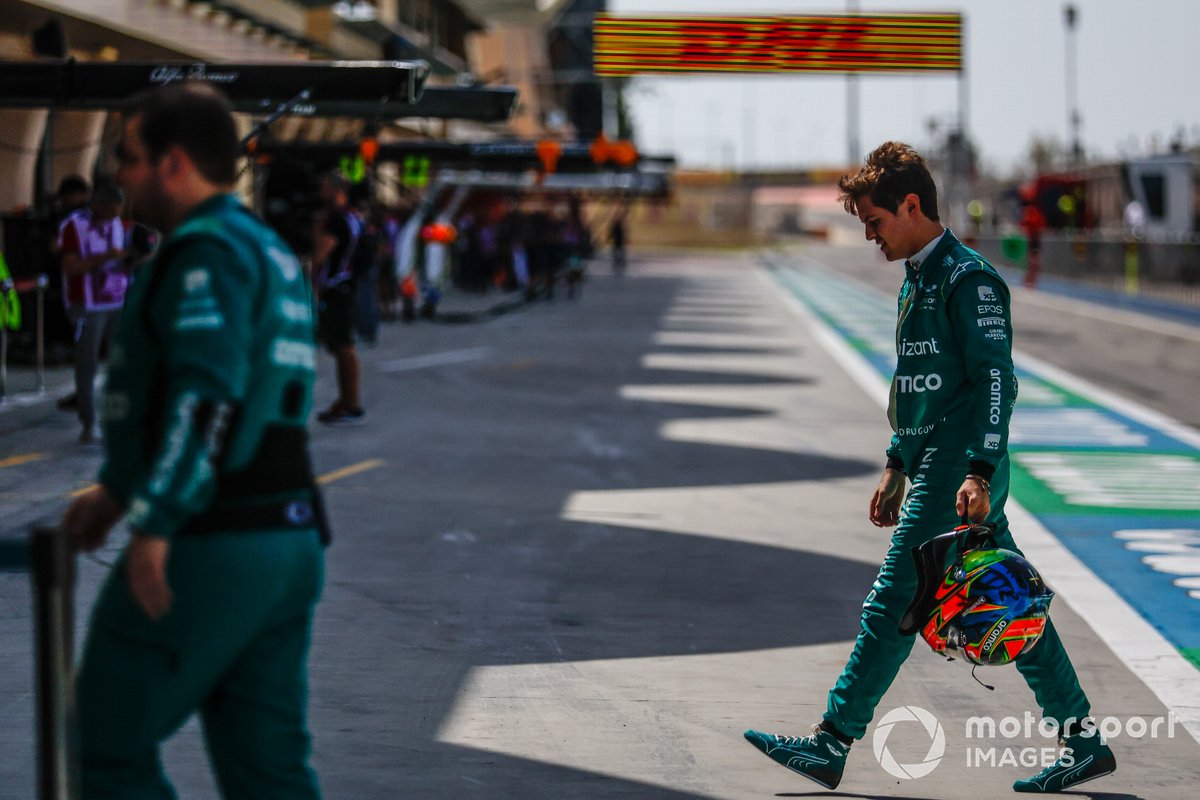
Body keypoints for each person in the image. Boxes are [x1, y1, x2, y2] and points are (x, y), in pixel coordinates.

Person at [744, 142, 1115, 794]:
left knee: (897, 595)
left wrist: (976, 470)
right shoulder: (916, 277)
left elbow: (995, 382)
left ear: (911, 205)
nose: (867, 235)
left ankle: (832, 740)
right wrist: (895, 463)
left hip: (961, 465)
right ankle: (1083, 739)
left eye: (875, 221)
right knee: (1010, 598)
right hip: (937, 463)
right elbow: (915, 384)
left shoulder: (968, 279)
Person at [60, 82, 327, 800]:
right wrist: (118, 489)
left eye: (129, 156)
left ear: (174, 163)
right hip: (284, 534)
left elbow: (209, 397)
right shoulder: (263, 250)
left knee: (103, 750)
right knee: (267, 771)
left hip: (212, 539)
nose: (119, 173)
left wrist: (155, 520)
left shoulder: (205, 253)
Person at [57, 181, 130, 442]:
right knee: (87, 363)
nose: (116, 214)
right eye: (113, 209)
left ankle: (122, 419)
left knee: (122, 361)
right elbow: (70, 267)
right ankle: (89, 422)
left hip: (116, 300)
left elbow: (123, 260)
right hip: (87, 303)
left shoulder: (119, 224)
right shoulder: (75, 225)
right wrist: (105, 257)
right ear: (99, 204)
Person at [312, 171, 365, 424]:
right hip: (348, 285)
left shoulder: (336, 221)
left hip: (335, 287)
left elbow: (320, 255)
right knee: (342, 345)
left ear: (336, 190)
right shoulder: (355, 218)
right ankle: (348, 401)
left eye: (325, 187)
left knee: (343, 345)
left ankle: (351, 403)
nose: (321, 192)